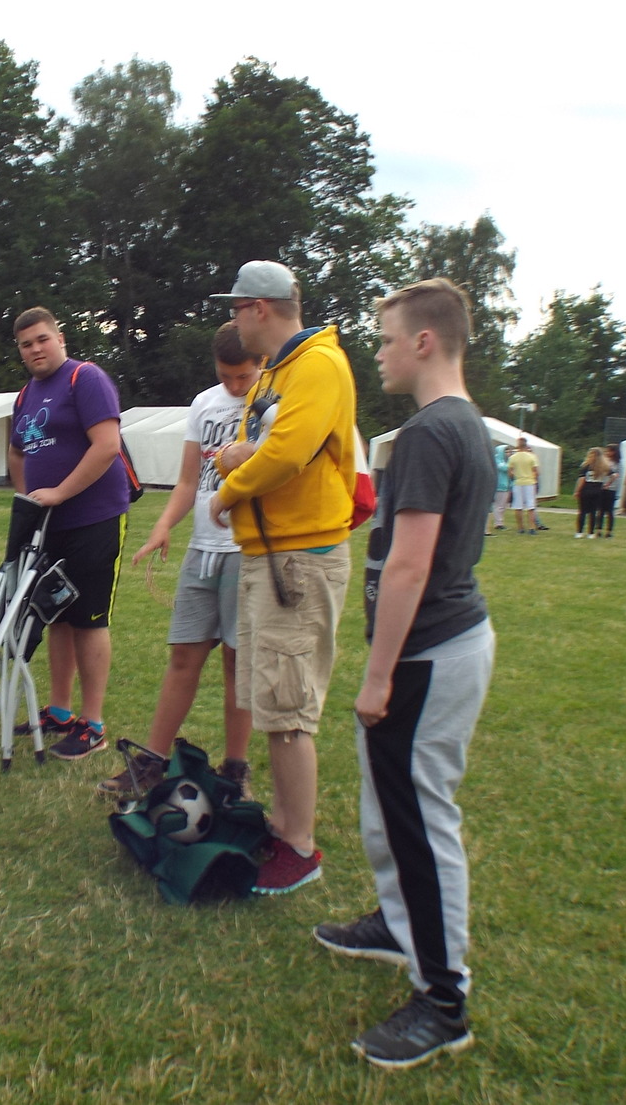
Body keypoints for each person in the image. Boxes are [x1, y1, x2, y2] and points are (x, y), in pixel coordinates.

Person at [313, 277, 496, 1069]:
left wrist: (379, 674)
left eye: (387, 339)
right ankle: (398, 924)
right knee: (392, 805)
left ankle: (443, 999)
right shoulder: (464, 423)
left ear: (424, 341)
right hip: (443, 645)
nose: (380, 353)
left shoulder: (428, 432)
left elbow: (411, 563)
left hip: (427, 653)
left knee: (420, 817)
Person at [205, 260, 357, 895]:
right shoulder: (275, 373)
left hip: (299, 558)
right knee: (272, 699)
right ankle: (286, 825)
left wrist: (227, 490)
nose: (233, 319)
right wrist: (243, 459)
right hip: (270, 554)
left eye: (236, 307)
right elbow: (250, 448)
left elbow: (286, 453)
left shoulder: (318, 366)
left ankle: (299, 846)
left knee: (289, 707)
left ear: (259, 308)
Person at [97, 321, 264, 799]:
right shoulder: (204, 403)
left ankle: (235, 770)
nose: (235, 385)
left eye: (243, 375)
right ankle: (152, 761)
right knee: (183, 656)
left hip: (246, 550)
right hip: (203, 549)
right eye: (226, 376)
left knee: (237, 662)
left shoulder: (273, 404)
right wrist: (164, 525)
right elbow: (189, 481)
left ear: (261, 362)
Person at [7, 306, 132, 761]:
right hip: (49, 526)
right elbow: (17, 453)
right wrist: (30, 500)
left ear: (60, 339)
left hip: (94, 517)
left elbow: (107, 445)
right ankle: (59, 711)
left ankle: (92, 725)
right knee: (55, 614)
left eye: (43, 339)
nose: (36, 349)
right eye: (26, 344)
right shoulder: (25, 395)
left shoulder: (86, 378)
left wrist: (60, 492)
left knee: (88, 619)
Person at [507, 437, 539, 534]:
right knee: (531, 506)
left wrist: (515, 476)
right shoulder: (532, 457)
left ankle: (520, 528)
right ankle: (531, 527)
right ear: (526, 445)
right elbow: (536, 471)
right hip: (529, 482)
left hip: (518, 482)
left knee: (518, 506)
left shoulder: (513, 457)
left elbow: (510, 472)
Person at [574, 446, 608, 538]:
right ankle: (591, 533)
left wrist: (577, 491)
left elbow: (582, 480)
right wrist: (606, 484)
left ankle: (579, 532)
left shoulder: (586, 466)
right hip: (598, 491)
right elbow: (614, 475)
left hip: (586, 490)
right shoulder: (604, 467)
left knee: (582, 512)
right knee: (593, 512)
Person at [486, 443, 510, 534]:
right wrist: (511, 465)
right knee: (498, 505)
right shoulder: (497, 460)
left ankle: (500, 522)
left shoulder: (506, 461)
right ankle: (498, 523)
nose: (508, 453)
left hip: (505, 485)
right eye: (506, 451)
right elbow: (504, 468)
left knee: (503, 506)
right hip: (498, 486)